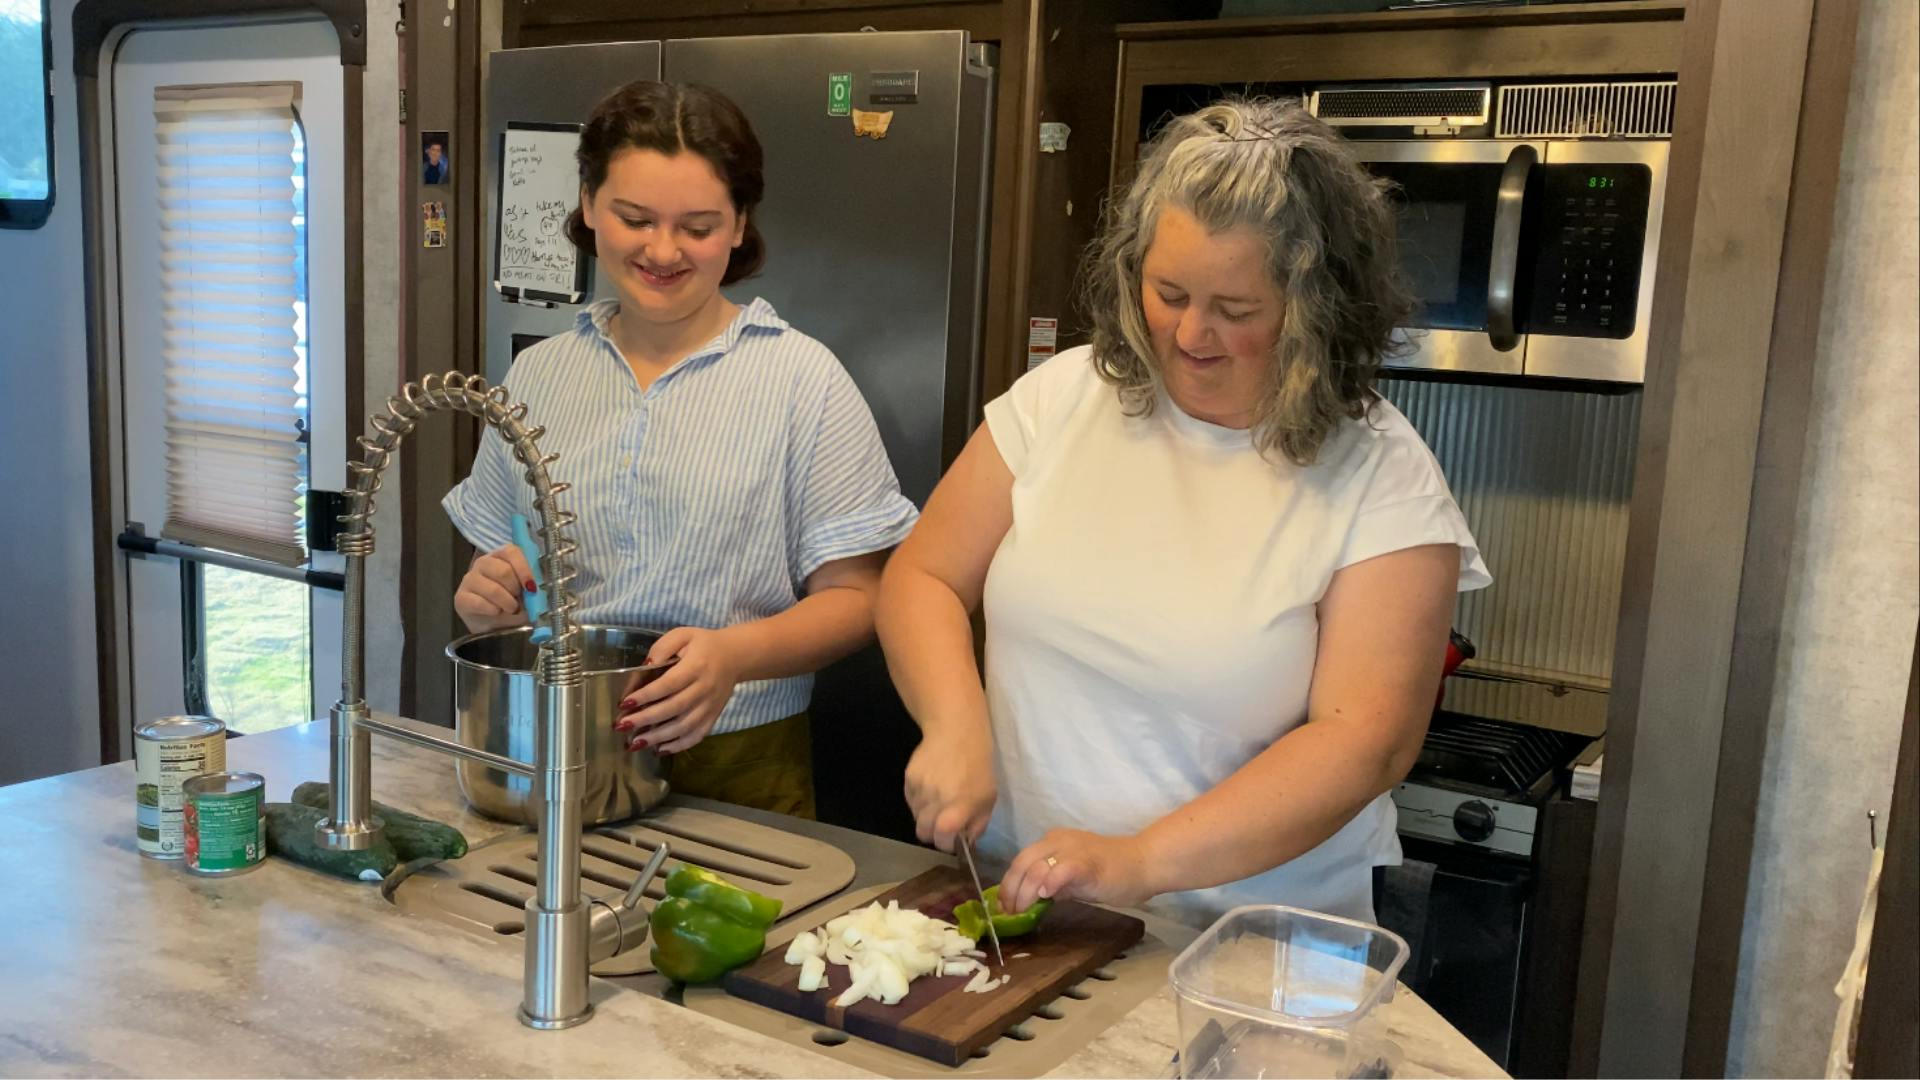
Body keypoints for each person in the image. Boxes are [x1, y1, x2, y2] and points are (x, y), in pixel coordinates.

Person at [875, 98, 1490, 927]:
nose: (1191, 334)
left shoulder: (1382, 474)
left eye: (1236, 311)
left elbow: (1363, 743)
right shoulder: (1066, 396)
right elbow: (925, 576)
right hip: (1026, 907)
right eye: (1168, 293)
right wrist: (953, 724)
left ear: (1317, 309)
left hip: (1248, 940)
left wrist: (1142, 861)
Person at [445, 81, 915, 818]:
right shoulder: (538, 375)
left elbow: (861, 599)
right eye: (634, 218)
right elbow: (509, 570)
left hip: (740, 756)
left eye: (697, 227)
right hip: (560, 745)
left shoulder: (802, 379)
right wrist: (489, 600)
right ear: (589, 204)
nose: (662, 251)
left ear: (739, 225)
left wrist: (733, 657)